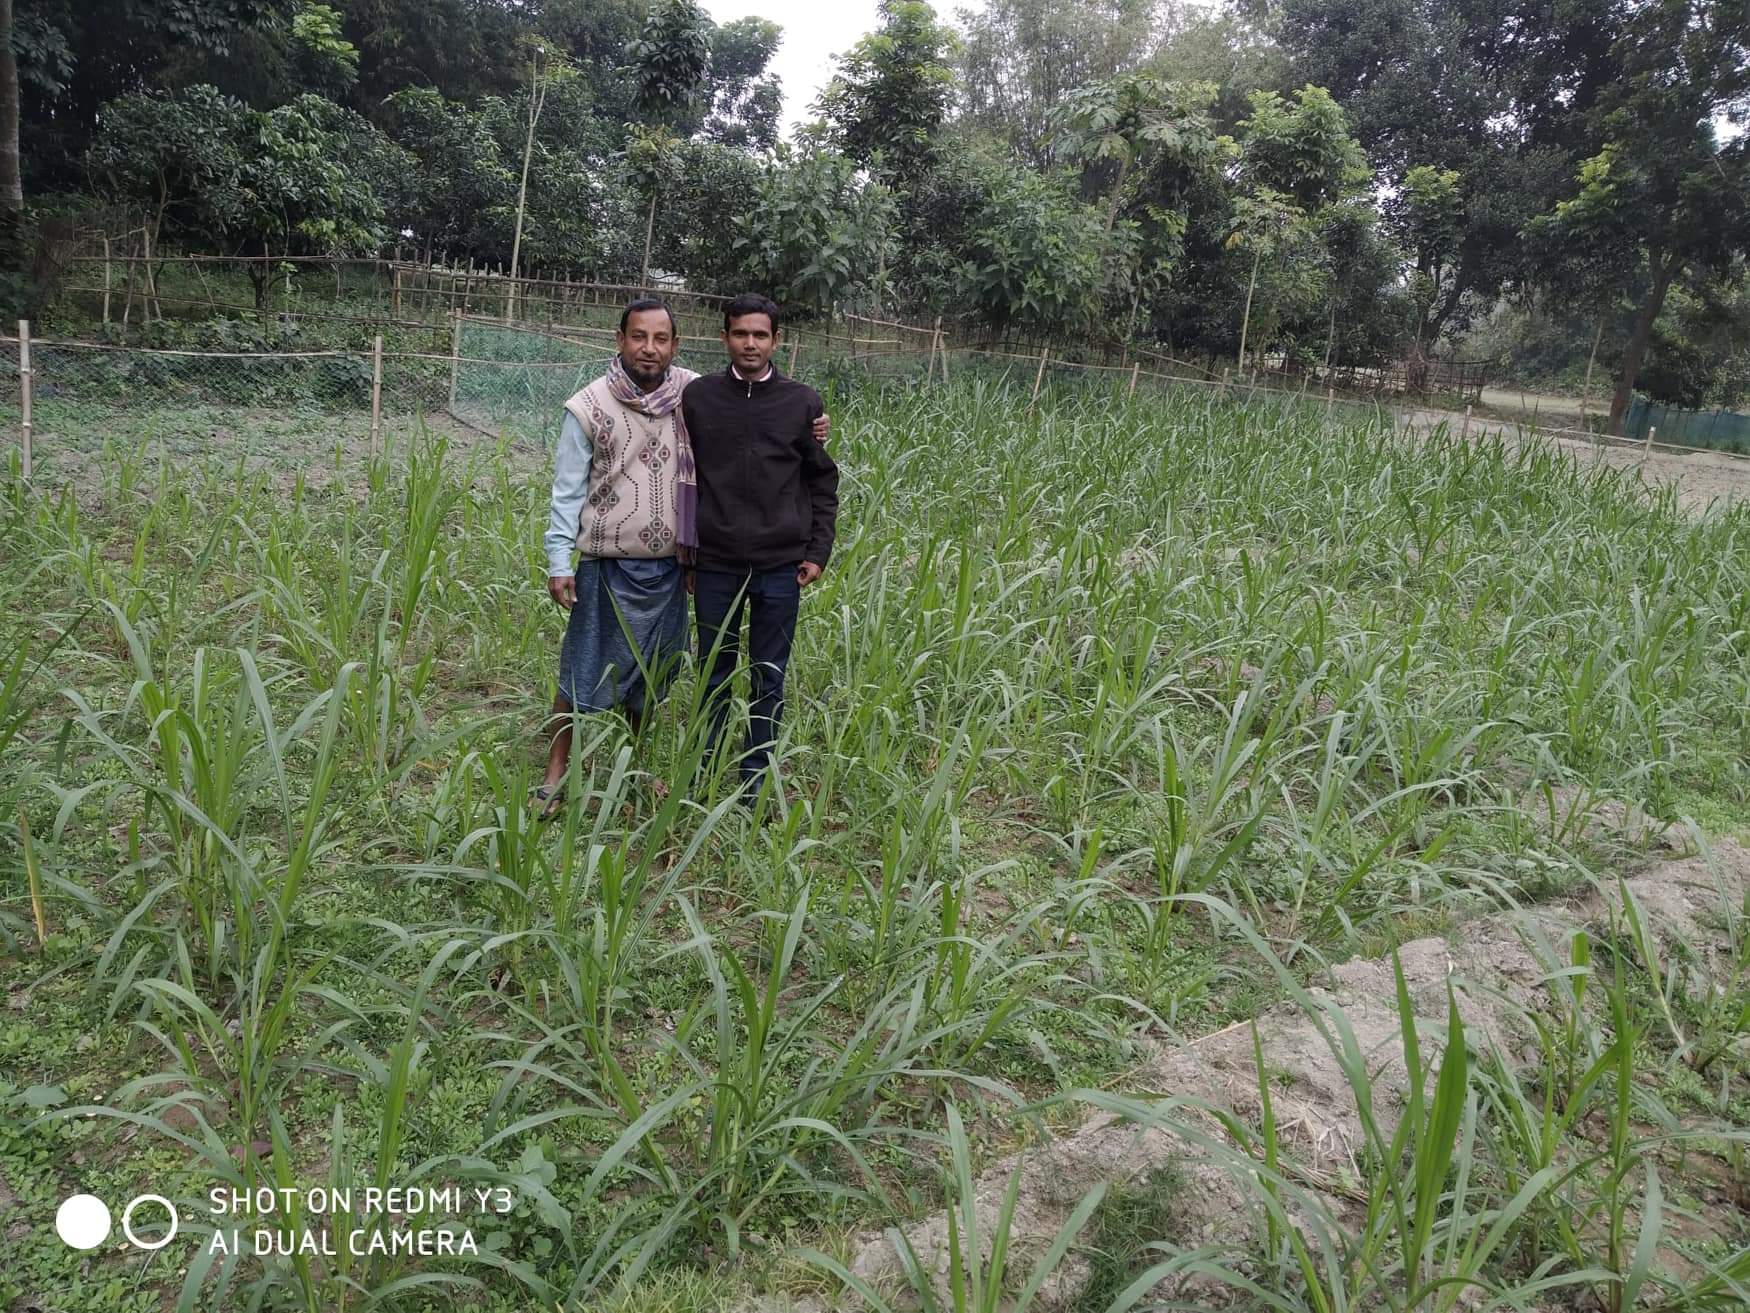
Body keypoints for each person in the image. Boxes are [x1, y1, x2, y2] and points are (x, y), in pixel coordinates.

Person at [537, 297, 826, 813]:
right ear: (620, 339)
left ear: (675, 345)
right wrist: (560, 559)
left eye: (661, 339)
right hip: (616, 560)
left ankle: (644, 768)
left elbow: (789, 443)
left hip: (675, 565)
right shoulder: (595, 405)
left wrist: (814, 429)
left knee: (656, 673)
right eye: (638, 337)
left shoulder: (688, 393)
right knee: (585, 665)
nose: (649, 349)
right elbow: (566, 490)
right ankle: (557, 771)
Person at [681, 293, 839, 800]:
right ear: (724, 336)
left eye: (760, 335)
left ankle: (754, 783)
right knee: (714, 673)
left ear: (776, 340)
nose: (750, 344)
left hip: (779, 566)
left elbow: (821, 482)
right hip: (715, 563)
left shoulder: (802, 403)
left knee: (769, 675)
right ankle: (704, 776)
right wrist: (687, 551)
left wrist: (817, 551)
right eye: (740, 333)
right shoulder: (699, 397)